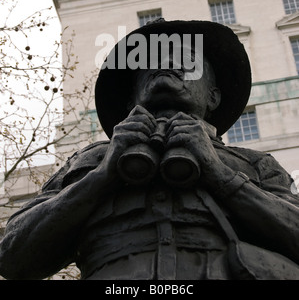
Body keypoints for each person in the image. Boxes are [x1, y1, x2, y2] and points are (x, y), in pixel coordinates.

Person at [1, 19, 299, 280]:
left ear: (213, 96)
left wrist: (222, 176)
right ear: (131, 99)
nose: (167, 64)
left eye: (186, 60)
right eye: (151, 63)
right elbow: (12, 256)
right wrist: (102, 177)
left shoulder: (255, 164)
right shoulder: (91, 159)